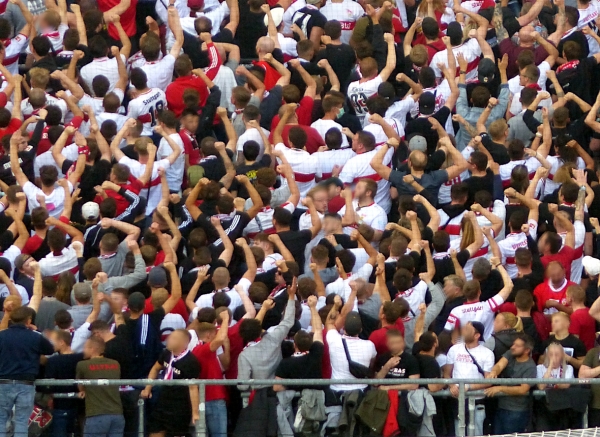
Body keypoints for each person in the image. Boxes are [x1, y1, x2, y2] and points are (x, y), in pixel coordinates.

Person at [142, 329, 201, 436]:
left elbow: (193, 388)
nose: (168, 340)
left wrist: (195, 412)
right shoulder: (166, 354)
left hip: (179, 406)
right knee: (155, 431)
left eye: (174, 338)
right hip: (162, 401)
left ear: (183, 343)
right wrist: (148, 388)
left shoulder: (191, 362)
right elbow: (155, 368)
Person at [444, 321, 494, 436]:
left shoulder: (487, 353)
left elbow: (489, 381)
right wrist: (452, 385)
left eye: (467, 329)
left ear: (477, 335)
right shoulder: (454, 349)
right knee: (459, 432)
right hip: (458, 399)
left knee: (476, 432)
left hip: (477, 400)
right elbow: (447, 373)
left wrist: (468, 387)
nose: (464, 331)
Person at [485, 334, 537, 434]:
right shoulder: (510, 354)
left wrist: (500, 388)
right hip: (501, 407)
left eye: (517, 346)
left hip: (517, 411)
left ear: (527, 350)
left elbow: (523, 389)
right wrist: (494, 372)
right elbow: (500, 365)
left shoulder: (530, 367)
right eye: (513, 344)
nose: (513, 347)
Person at [76, 336, 124, 437]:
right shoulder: (115, 364)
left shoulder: (82, 365)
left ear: (92, 349)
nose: (83, 350)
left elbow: (80, 384)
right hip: (117, 414)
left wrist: (82, 391)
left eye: (85, 347)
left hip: (96, 414)